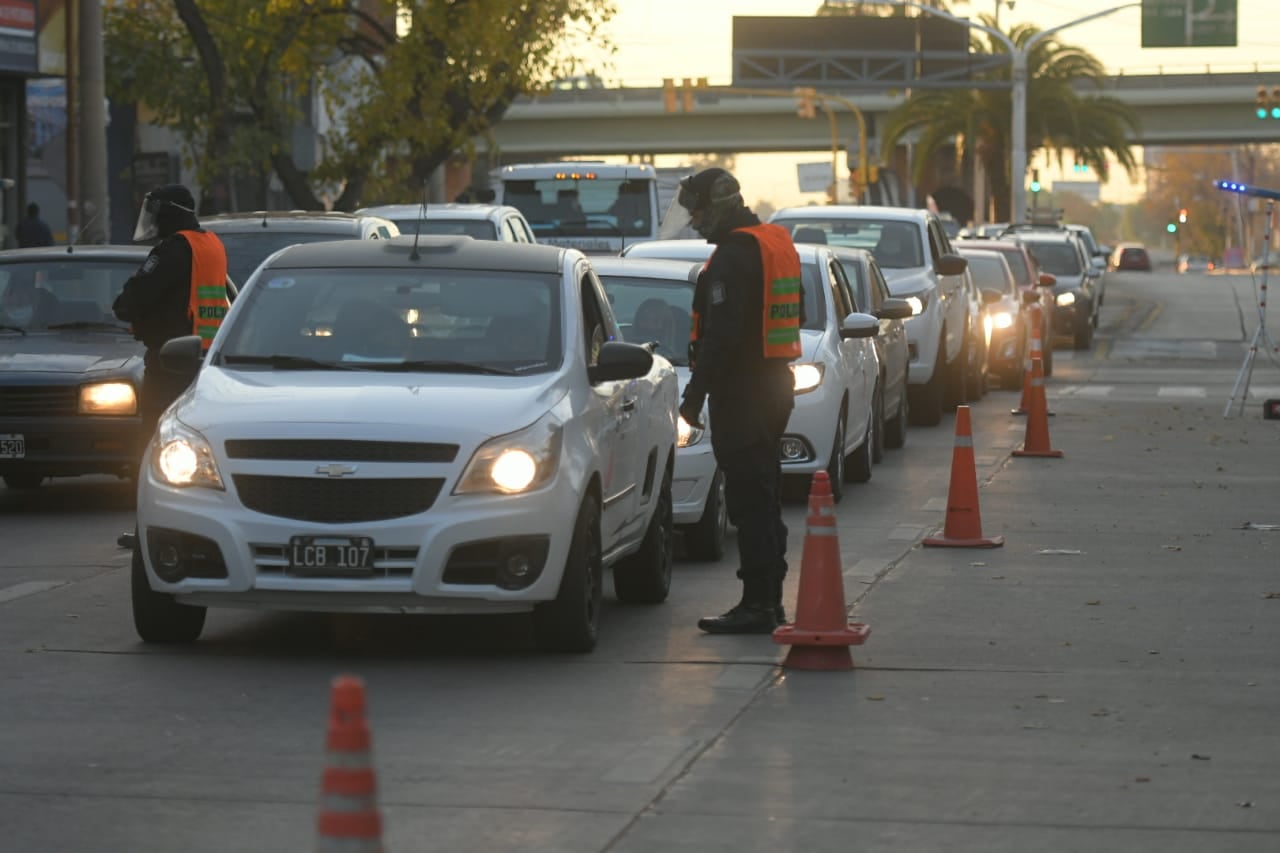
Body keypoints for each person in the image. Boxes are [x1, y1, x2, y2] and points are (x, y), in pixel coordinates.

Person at [662, 167, 802, 634]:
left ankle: (758, 604)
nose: (695, 219)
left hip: (743, 392)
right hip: (773, 384)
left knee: (748, 500)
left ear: (718, 205)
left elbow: (720, 338)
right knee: (763, 495)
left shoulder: (733, 258)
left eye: (698, 209)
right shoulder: (774, 242)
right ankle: (768, 599)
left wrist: (691, 399)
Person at [112, 184, 229, 451]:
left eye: (155, 212)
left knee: (156, 435)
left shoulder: (175, 249)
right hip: (207, 359)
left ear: (169, 214)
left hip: (170, 359)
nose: (151, 219)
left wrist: (126, 305)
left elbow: (133, 298)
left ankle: (150, 487)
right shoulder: (211, 243)